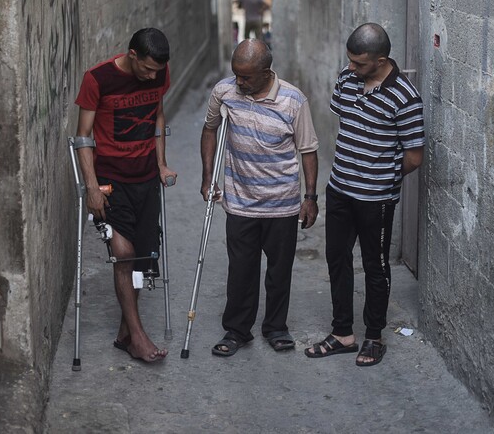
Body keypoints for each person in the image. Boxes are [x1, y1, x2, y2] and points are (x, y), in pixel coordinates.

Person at [305, 23, 425, 367]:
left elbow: (414, 157)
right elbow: (342, 112)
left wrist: (379, 172)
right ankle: (342, 333)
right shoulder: (348, 77)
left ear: (381, 60)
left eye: (359, 64)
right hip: (340, 188)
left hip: (376, 199)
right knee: (337, 260)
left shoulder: (405, 97)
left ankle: (374, 336)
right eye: (350, 62)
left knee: (376, 265)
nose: (351, 69)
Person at [201, 39, 319, 356]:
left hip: (282, 201)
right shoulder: (224, 92)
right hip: (240, 200)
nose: (239, 82)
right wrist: (208, 176)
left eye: (246, 77)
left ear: (266, 72)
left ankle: (276, 328)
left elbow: (308, 150)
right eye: (236, 75)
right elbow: (210, 129)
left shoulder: (293, 100)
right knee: (241, 269)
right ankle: (237, 330)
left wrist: (310, 196)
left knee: (279, 271)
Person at [74, 28, 177, 363]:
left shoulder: (159, 74)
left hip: (146, 178)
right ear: (132, 55)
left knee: (142, 257)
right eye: (147, 69)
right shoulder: (98, 79)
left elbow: (158, 117)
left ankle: (124, 332)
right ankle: (139, 337)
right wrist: (91, 188)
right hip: (111, 180)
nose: (152, 76)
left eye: (157, 72)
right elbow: (83, 136)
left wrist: (162, 165)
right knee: (123, 253)